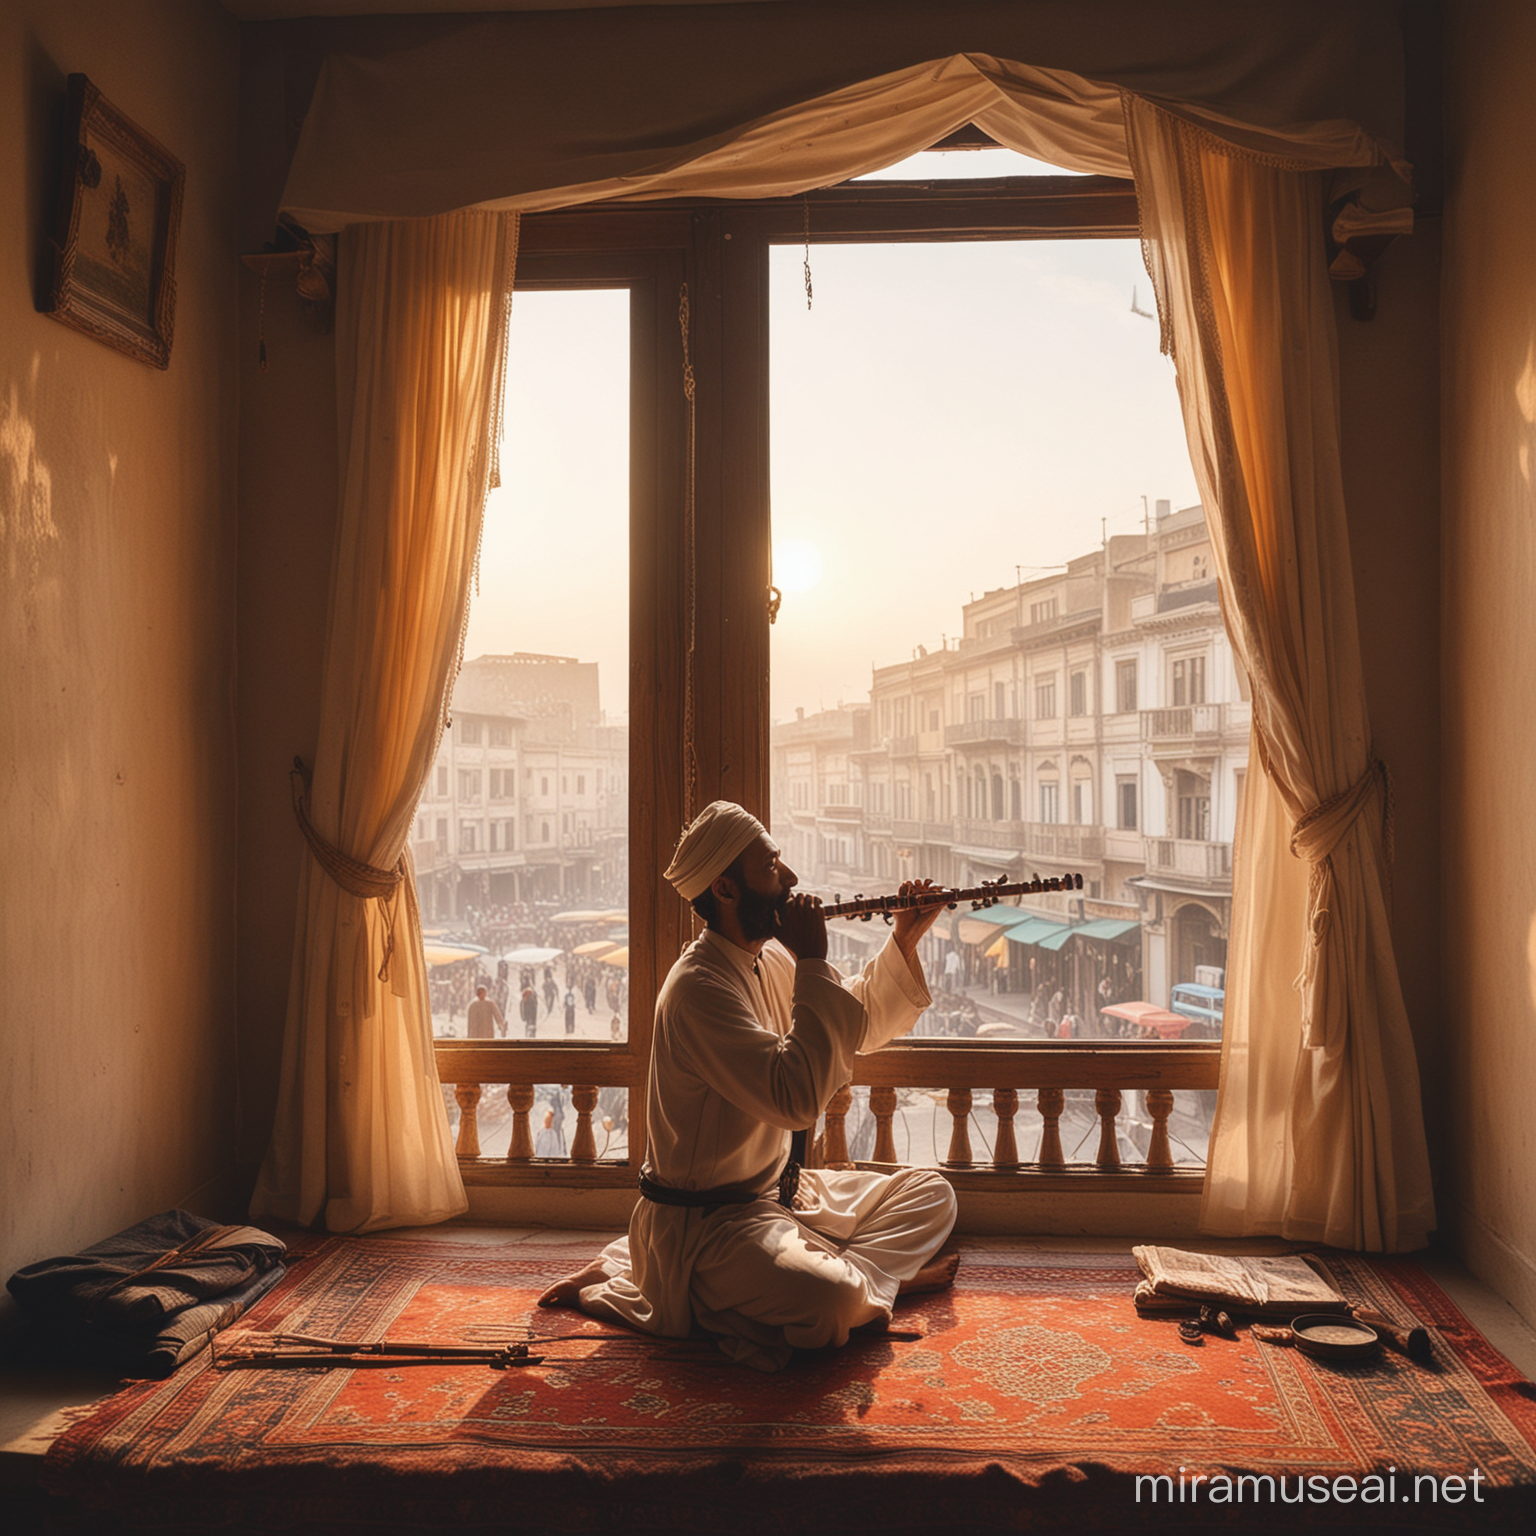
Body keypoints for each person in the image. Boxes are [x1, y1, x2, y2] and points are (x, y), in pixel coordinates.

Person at [539, 800, 958, 1372]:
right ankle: (860, 1284)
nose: (789, 880)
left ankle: (848, 1277)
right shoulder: (699, 989)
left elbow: (849, 1022)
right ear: (726, 890)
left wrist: (903, 941)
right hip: (710, 1227)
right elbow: (796, 1098)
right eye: (771, 868)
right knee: (825, 1303)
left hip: (778, 1196)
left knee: (933, 1194)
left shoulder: (767, 962)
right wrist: (812, 958)